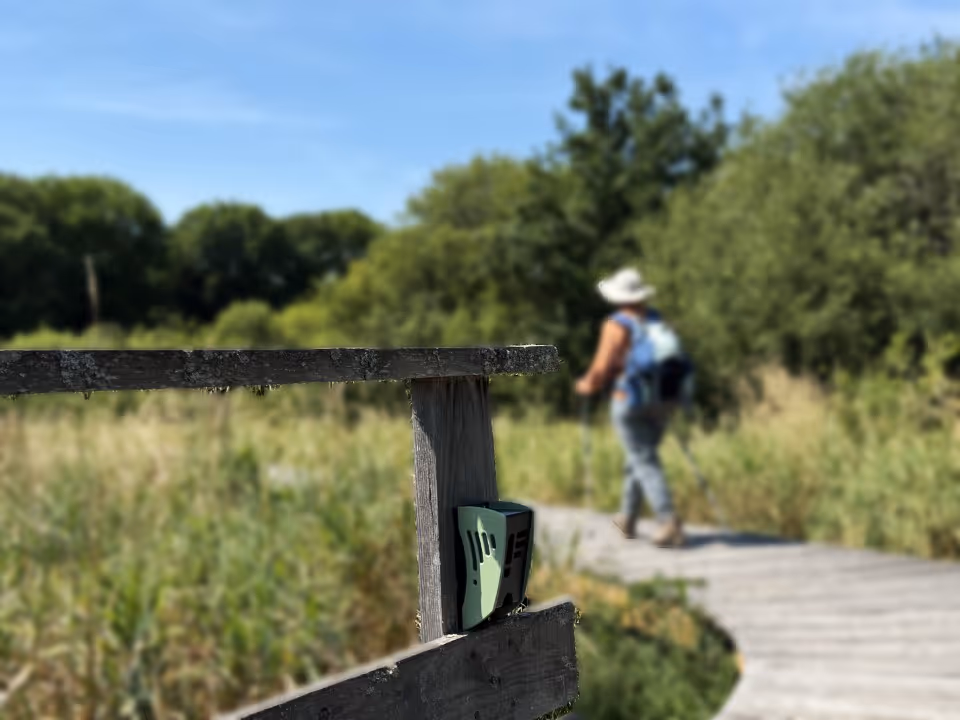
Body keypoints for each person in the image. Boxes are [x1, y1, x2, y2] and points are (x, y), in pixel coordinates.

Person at [574, 267, 687, 548]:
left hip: (631, 400)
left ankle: (667, 520)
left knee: (643, 459)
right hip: (664, 400)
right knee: (637, 457)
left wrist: (587, 385)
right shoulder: (656, 320)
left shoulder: (617, 324)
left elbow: (603, 365)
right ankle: (628, 518)